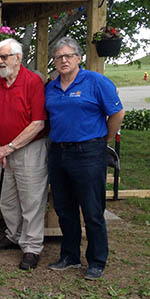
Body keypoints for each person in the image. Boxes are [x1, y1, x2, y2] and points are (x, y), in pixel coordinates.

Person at [45, 37, 125, 280]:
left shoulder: (95, 81)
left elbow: (117, 113)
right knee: (64, 207)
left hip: (89, 152)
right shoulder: (51, 86)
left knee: (92, 209)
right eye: (59, 57)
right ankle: (69, 255)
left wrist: (104, 141)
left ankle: (97, 260)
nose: (64, 60)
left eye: (68, 55)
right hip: (58, 152)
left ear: (79, 58)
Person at [0, 38, 48, 270]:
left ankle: (31, 247)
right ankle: (14, 235)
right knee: (8, 199)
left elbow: (38, 123)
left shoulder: (32, 82)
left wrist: (9, 147)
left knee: (31, 200)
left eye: (4, 57)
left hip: (28, 149)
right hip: (1, 151)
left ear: (18, 58)